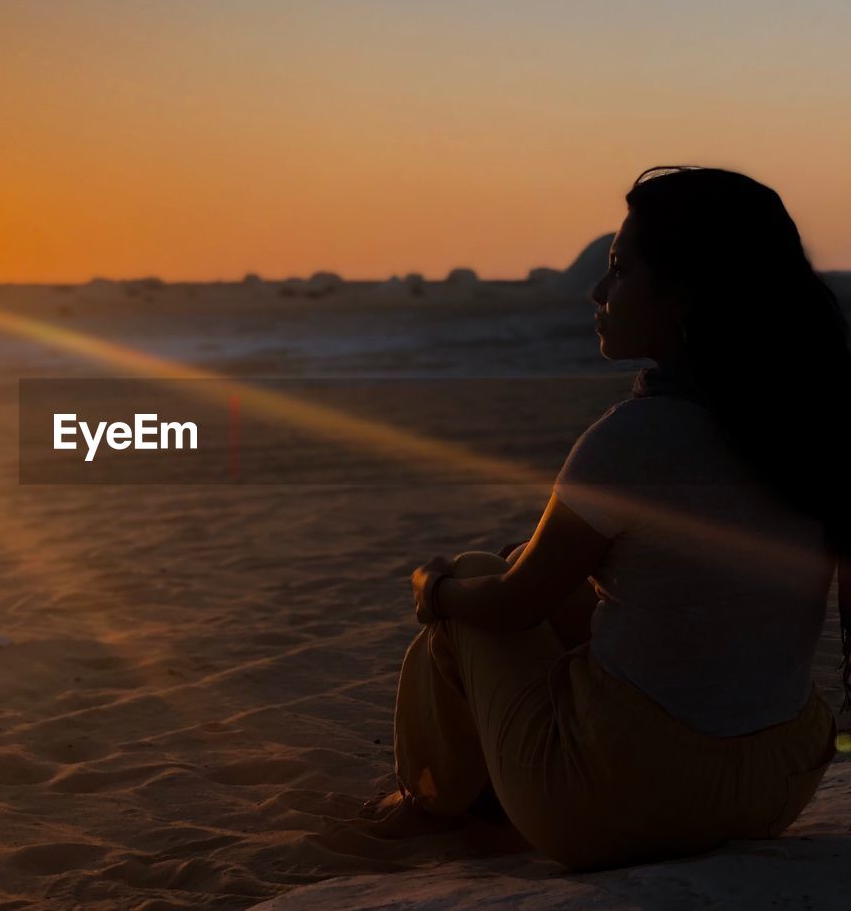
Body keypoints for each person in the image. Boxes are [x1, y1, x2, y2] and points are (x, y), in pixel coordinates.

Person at [364, 166, 849, 870]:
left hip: (624, 804)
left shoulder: (638, 436)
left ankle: (429, 799)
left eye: (619, 271)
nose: (598, 292)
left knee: (475, 581)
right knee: (542, 572)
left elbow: (510, 605)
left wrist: (433, 589)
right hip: (776, 786)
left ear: (684, 296)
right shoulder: (815, 430)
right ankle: (469, 788)